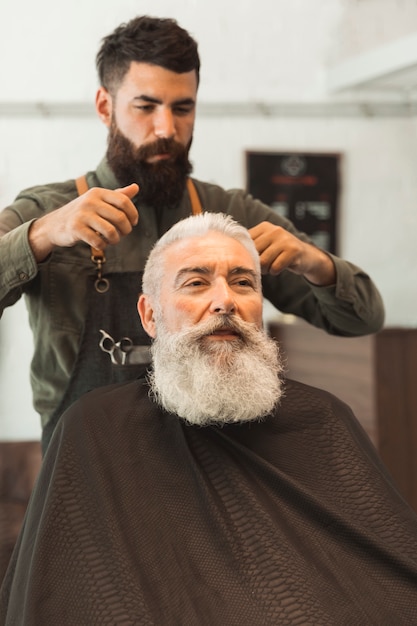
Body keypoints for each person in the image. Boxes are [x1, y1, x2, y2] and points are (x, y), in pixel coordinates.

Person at [0, 212, 415, 625]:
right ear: (149, 316)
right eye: (196, 283)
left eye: (243, 282)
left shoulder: (323, 417)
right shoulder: (94, 428)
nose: (225, 301)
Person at [0, 16, 385, 451]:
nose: (166, 129)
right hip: (84, 462)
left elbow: (362, 319)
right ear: (105, 106)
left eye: (182, 108)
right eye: (145, 107)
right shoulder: (46, 210)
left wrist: (313, 263)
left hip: (211, 463)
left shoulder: (234, 214)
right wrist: (41, 236)